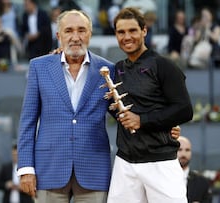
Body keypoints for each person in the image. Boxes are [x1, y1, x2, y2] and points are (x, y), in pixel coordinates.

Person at [18, 9, 181, 203]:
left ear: (90, 34)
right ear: (58, 35)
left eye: (81, 30)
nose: (75, 37)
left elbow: (126, 113)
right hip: (49, 169)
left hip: (93, 170)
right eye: (69, 31)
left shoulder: (109, 69)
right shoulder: (39, 66)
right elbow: (27, 121)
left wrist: (163, 124)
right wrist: (26, 168)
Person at [107, 7, 193, 203]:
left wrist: (143, 120)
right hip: (125, 162)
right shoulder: (116, 69)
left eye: (132, 31)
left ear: (144, 31)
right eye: (121, 32)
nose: (127, 37)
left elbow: (184, 109)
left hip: (161, 162)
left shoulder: (164, 65)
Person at [177, 136, 212, 203]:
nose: (183, 154)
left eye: (187, 150)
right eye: (179, 149)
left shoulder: (202, 182)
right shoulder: (163, 180)